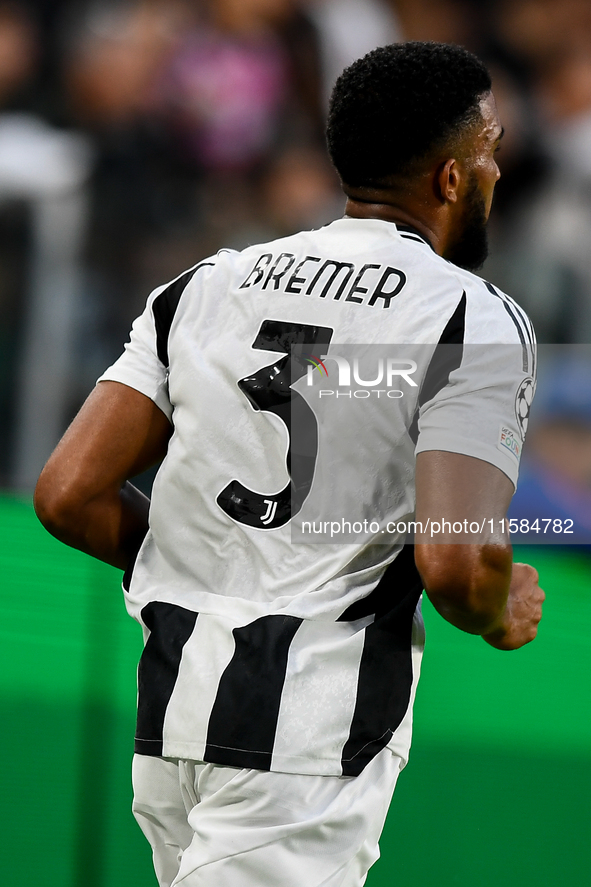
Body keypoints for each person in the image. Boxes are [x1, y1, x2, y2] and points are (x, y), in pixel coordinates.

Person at [34, 42, 544, 887]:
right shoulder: (469, 317)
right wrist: (496, 609)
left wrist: (216, 560)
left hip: (175, 715)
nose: (496, 165)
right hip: (307, 730)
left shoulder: (208, 281)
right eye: (487, 145)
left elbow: (66, 492)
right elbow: (456, 563)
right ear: (452, 179)